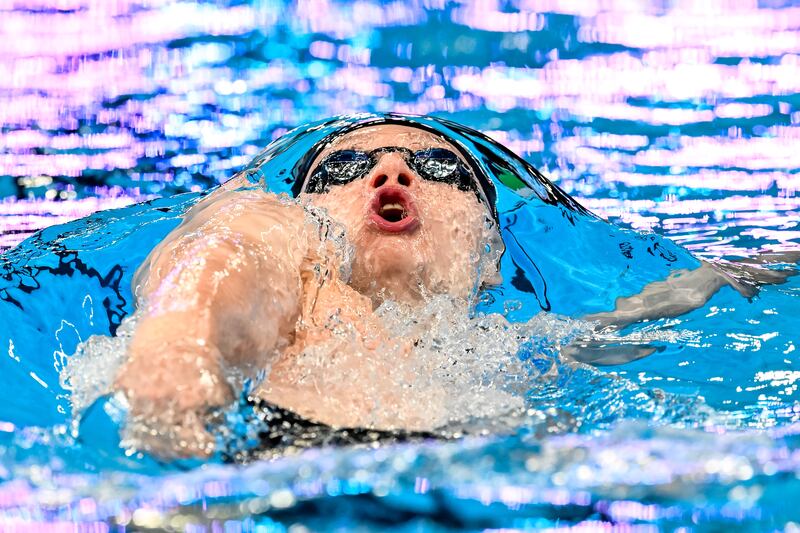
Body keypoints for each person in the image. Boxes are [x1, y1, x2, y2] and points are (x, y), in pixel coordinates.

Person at [109, 115, 797, 458]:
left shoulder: (531, 347)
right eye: (347, 166)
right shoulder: (280, 252)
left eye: (438, 167)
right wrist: (175, 379)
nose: (390, 174)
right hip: (284, 476)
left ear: (492, 251)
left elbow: (690, 288)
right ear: (306, 214)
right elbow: (210, 273)